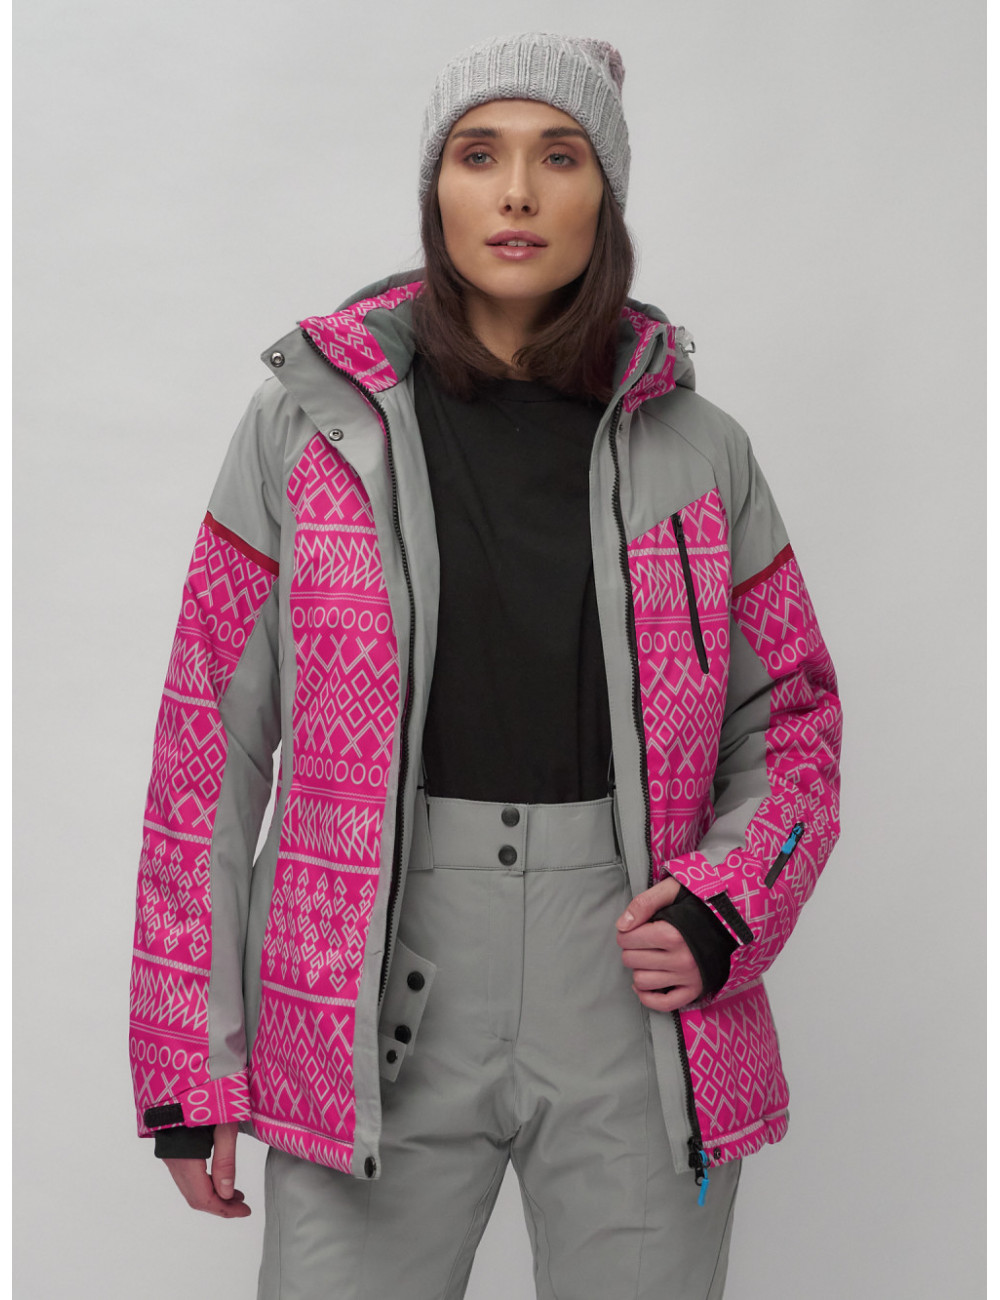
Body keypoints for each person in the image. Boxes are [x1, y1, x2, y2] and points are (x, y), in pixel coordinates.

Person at [129, 32, 842, 1299]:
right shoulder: (306, 431)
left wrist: (727, 905)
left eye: (558, 157)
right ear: (436, 189)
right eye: (478, 155)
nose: (515, 192)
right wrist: (191, 1064)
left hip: (628, 990)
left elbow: (793, 717)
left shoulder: (703, 454)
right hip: (367, 988)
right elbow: (208, 742)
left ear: (604, 195)